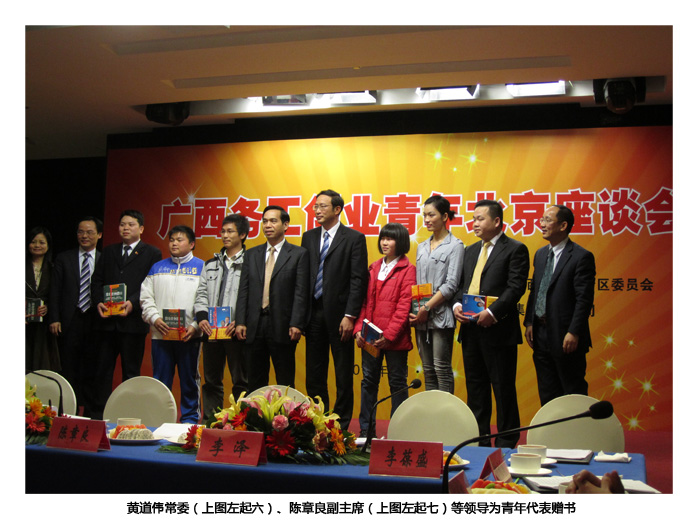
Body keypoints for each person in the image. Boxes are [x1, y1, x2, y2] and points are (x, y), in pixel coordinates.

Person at [454, 199, 529, 448]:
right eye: (473, 219)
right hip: (470, 330)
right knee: (476, 389)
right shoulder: (470, 251)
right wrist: (456, 306)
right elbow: (462, 285)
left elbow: (515, 287)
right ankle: (479, 440)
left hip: (498, 331)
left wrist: (493, 313)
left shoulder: (515, 249)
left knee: (503, 388)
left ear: (497, 221)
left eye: (480, 219)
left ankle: (507, 441)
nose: (474, 223)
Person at [302, 189, 368, 429]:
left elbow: (358, 279)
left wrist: (350, 315)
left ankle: (340, 425)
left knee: (343, 374)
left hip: (341, 316)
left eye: (322, 206)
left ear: (337, 209)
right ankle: (318, 422)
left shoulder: (354, 238)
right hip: (313, 313)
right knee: (314, 373)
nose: (317, 211)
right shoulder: (308, 237)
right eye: (315, 206)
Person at [89, 209, 162, 419]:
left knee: (130, 373)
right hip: (106, 323)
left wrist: (133, 303)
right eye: (122, 224)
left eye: (131, 224)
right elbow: (97, 281)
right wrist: (99, 302)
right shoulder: (109, 251)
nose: (125, 228)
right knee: (102, 371)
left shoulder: (152, 253)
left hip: (132, 323)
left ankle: (128, 416)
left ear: (141, 228)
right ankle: (98, 416)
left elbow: (151, 285)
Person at [524, 205, 596, 406]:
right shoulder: (540, 254)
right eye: (541, 219)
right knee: (547, 392)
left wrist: (574, 331)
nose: (541, 224)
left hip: (566, 336)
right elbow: (535, 290)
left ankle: (576, 426)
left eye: (547, 220)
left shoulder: (581, 256)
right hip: (540, 334)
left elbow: (584, 299)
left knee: (572, 391)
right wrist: (529, 322)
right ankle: (551, 427)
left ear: (563, 226)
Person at [235, 206, 309, 391]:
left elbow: (301, 292)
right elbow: (243, 290)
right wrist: (240, 321)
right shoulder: (251, 254)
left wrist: (297, 323)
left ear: (286, 225)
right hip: (254, 325)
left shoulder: (298, 254)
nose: (268, 225)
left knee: (285, 381)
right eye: (265, 221)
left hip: (283, 326)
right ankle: (255, 411)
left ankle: (284, 412)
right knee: (255, 382)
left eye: (273, 221)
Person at [354, 223, 416, 438]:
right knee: (368, 382)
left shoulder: (408, 269)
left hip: (395, 340)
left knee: (397, 384)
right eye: (383, 238)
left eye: (390, 239)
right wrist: (358, 330)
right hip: (369, 338)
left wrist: (388, 336)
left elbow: (404, 306)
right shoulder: (373, 267)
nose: (384, 243)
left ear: (401, 242)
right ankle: (366, 431)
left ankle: (399, 432)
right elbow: (363, 303)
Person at [140, 225, 204, 424]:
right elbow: (146, 297)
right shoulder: (157, 268)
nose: (174, 243)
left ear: (191, 244)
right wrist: (154, 318)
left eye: (179, 240)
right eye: (172, 240)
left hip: (189, 336)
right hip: (161, 335)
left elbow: (207, 300)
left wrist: (196, 326)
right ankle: (159, 419)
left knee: (189, 380)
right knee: (160, 381)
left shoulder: (202, 268)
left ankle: (190, 421)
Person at [194, 214, 249, 419]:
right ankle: (211, 422)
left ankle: (242, 422)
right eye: (223, 231)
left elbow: (253, 296)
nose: (225, 235)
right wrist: (202, 318)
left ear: (242, 235)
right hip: (211, 331)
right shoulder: (210, 264)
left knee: (241, 382)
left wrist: (241, 320)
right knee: (211, 381)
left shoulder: (250, 262)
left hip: (236, 330)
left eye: (230, 231)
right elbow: (201, 293)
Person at [409, 195, 464, 394]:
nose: (427, 220)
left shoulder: (456, 245)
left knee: (442, 369)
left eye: (431, 215)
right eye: (424, 215)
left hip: (441, 316)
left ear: (445, 216)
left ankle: (446, 412)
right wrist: (418, 310)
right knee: (428, 370)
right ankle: (431, 411)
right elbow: (418, 283)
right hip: (421, 317)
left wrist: (427, 307)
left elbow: (451, 285)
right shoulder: (422, 246)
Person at [48, 217, 103, 411]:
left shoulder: (104, 259)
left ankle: (88, 412)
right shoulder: (64, 258)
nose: (84, 236)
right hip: (69, 320)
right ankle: (67, 409)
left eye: (89, 232)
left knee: (92, 366)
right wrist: (54, 318)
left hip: (96, 320)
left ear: (99, 234)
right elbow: (55, 290)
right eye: (80, 232)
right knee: (68, 366)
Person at [26, 226, 60, 372]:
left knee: (42, 363)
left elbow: (58, 294)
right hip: (24, 322)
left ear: (48, 246)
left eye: (42, 242)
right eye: (33, 242)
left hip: (43, 325)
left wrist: (48, 307)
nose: (37, 245)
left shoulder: (54, 268)